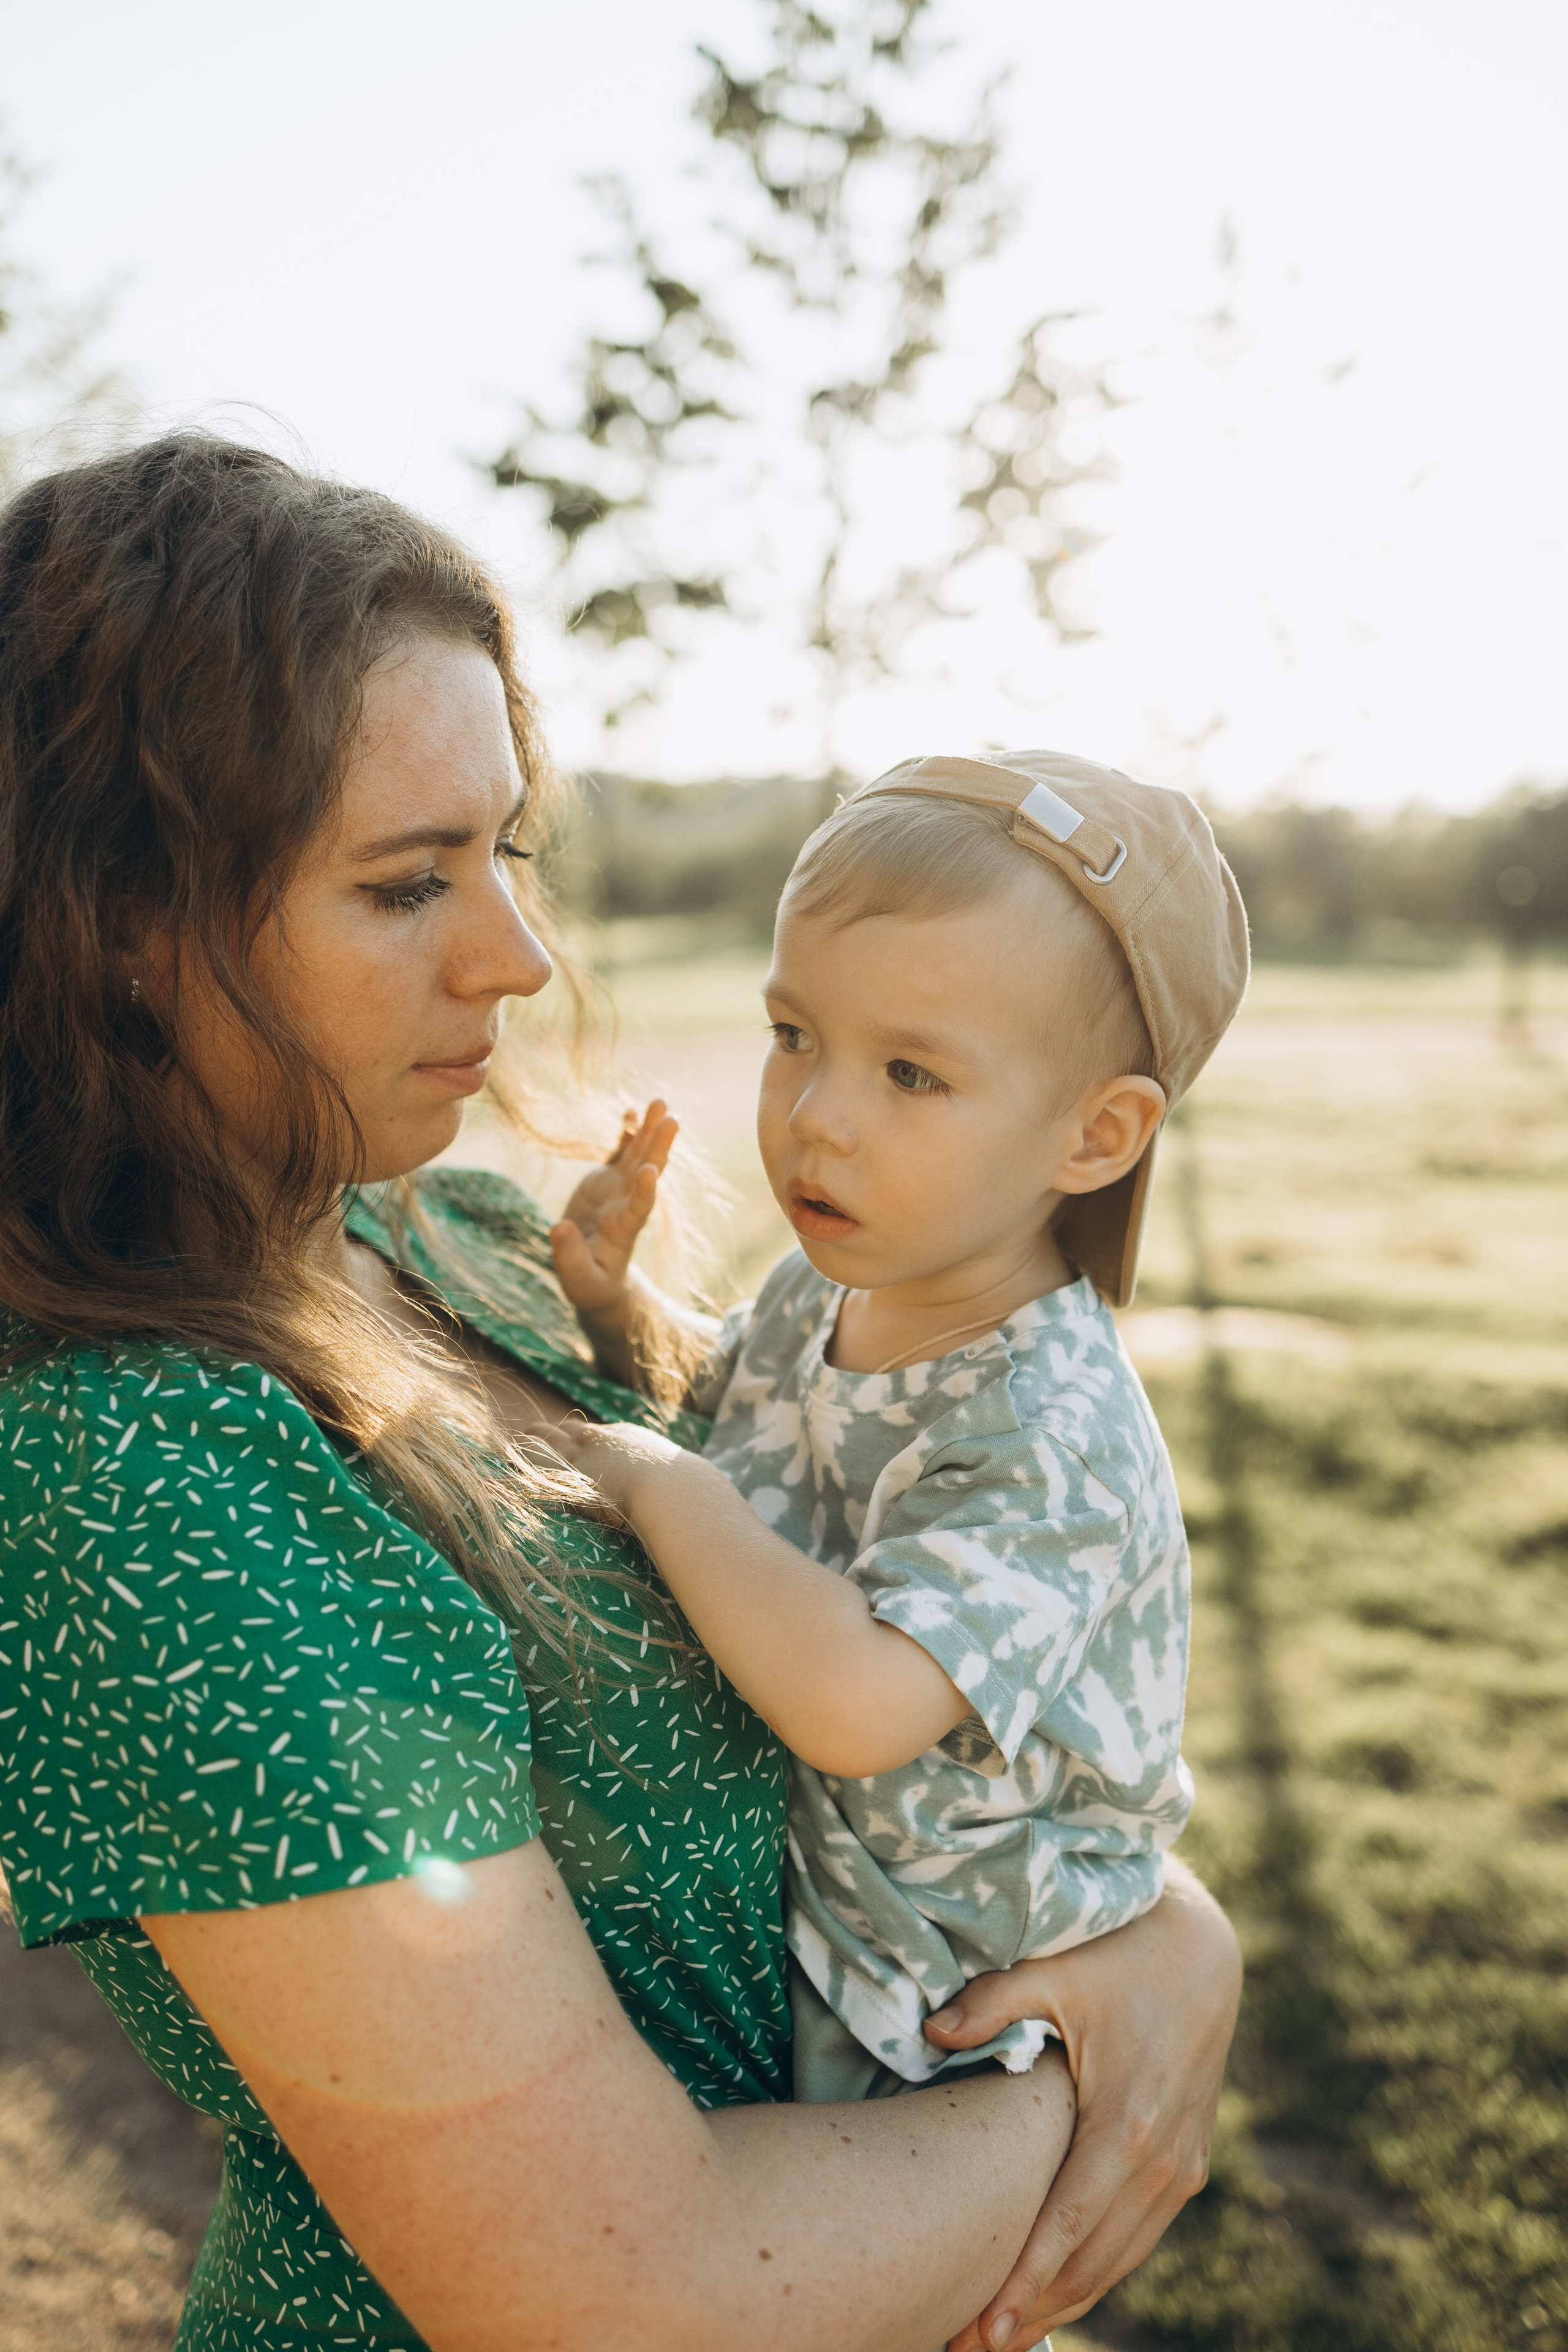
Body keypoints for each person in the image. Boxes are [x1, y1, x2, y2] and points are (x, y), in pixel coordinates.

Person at [0, 434, 1242, 2352]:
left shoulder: (461, 1240)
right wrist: (1107, 2060)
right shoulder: (139, 1474)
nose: (519, 955)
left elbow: (886, 1598)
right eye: (411, 883)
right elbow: (623, 2300)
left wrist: (1170, 1924)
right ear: (129, 935)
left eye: (506, 848)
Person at [541, 753, 1248, 2106]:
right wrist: (617, 1312)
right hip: (832, 1930)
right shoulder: (829, 1285)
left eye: (910, 1073)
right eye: (793, 1034)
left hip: (943, 2006)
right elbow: (734, 1424)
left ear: (1093, 1135)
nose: (816, 1115)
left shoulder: (1052, 1431)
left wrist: (646, 1479)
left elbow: (856, 1702)